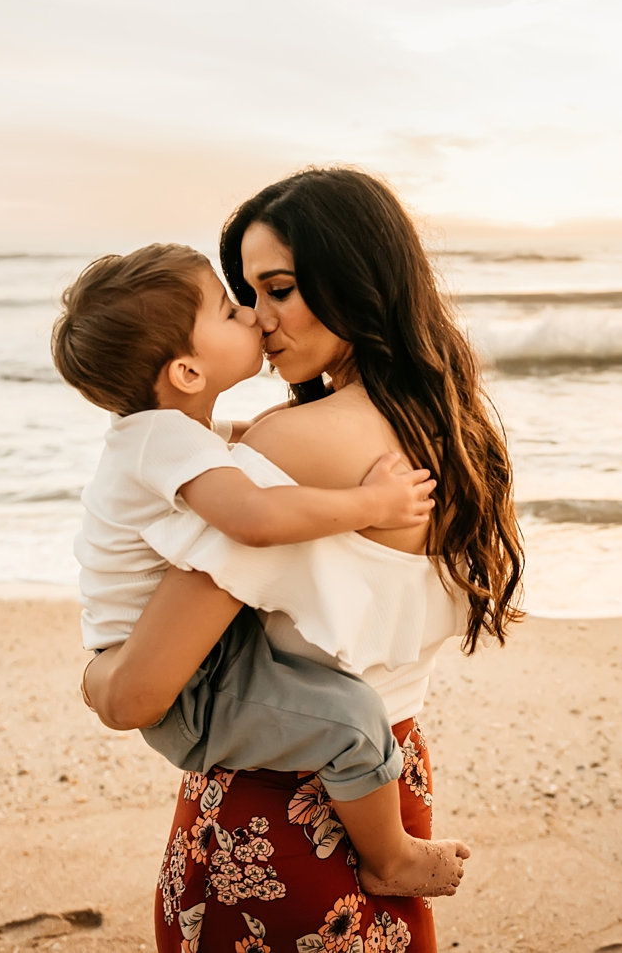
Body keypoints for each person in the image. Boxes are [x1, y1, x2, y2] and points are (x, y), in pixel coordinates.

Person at [83, 167, 524, 953]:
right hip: (394, 779)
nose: (258, 318)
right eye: (245, 294)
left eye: (279, 287)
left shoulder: (283, 448)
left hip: (274, 809)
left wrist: (95, 674)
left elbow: (137, 694)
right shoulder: (451, 431)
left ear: (353, 277)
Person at [51, 242, 468, 899]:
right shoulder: (169, 440)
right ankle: (390, 859)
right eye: (230, 305)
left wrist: (263, 435)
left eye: (273, 291)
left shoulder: (177, 434)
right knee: (353, 717)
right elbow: (253, 518)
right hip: (189, 683)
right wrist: (372, 502)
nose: (252, 314)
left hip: (196, 663)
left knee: (345, 715)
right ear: (187, 371)